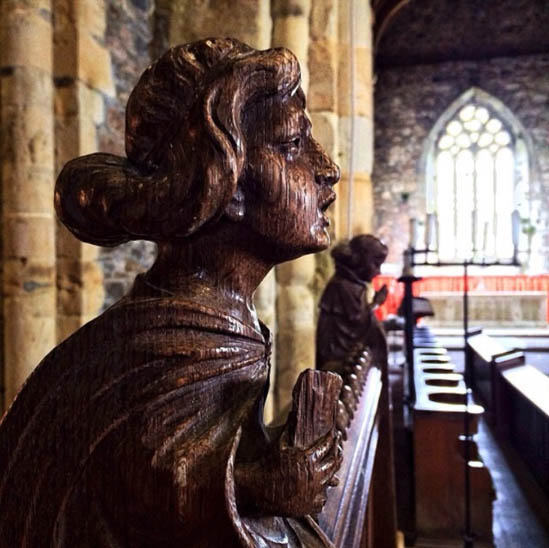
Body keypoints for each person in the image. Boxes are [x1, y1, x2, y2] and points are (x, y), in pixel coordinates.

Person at [0, 38, 341, 547]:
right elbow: (140, 477)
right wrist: (256, 485)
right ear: (228, 183)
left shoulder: (217, 321)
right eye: (292, 144)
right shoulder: (158, 342)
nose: (327, 168)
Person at [316, 234, 389, 372]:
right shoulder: (343, 286)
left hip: (350, 361)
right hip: (337, 361)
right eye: (376, 264)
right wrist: (376, 303)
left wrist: (375, 304)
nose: (378, 271)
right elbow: (358, 323)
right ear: (362, 260)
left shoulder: (352, 285)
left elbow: (359, 319)